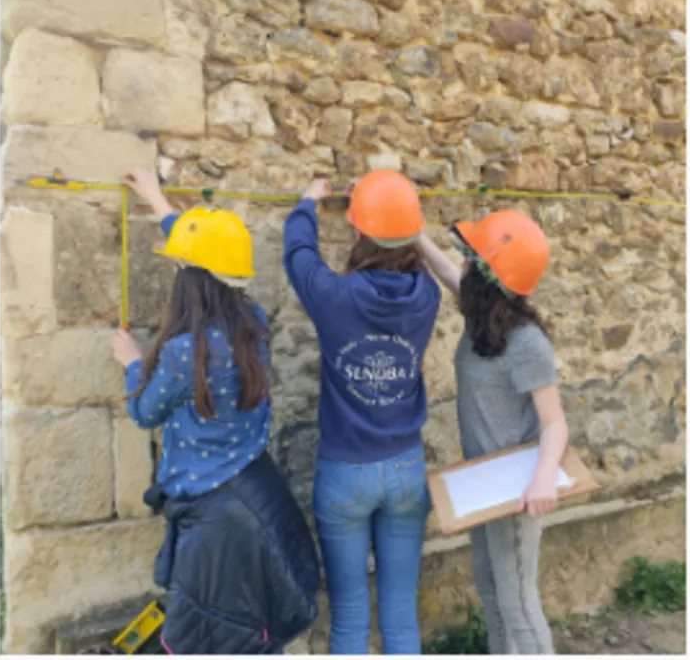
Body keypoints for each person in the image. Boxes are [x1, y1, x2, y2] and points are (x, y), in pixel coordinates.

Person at [110, 169, 320, 655]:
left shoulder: (186, 351)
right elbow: (205, 253)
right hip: (252, 493)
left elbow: (144, 412)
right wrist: (158, 202)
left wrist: (132, 362)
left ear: (187, 280)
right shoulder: (255, 323)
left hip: (211, 515)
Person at [282, 170, 442, 654]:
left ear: (356, 232)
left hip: (345, 472)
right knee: (400, 616)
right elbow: (413, 253)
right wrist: (386, 206)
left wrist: (308, 201)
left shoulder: (334, 297)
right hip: (406, 466)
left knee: (350, 617)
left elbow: (299, 255)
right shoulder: (428, 295)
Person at [417, 210, 568, 654]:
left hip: (517, 493)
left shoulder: (528, 343)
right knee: (490, 588)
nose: (460, 263)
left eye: (469, 256)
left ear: (486, 277)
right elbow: (448, 272)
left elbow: (555, 422)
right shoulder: (483, 319)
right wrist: (414, 236)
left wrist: (543, 479)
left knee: (518, 601)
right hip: (483, 486)